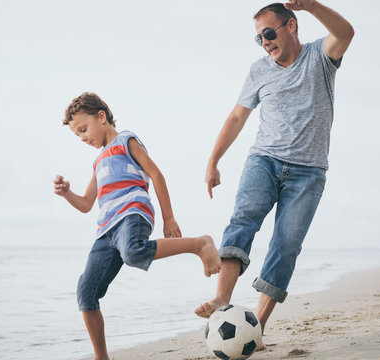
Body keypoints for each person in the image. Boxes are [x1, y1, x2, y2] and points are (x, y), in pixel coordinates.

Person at [194, 0, 354, 350]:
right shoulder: (258, 71)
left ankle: (256, 328)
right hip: (263, 161)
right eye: (259, 38)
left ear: (290, 26)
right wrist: (213, 160)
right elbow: (236, 118)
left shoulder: (320, 56)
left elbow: (346, 33)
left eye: (269, 33)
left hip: (308, 173)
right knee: (242, 222)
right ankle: (222, 300)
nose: (265, 42)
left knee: (286, 247)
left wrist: (311, 5)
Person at [54, 92, 222, 360]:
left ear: (102, 117)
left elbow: (156, 174)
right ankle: (101, 356)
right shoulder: (98, 161)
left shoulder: (126, 141)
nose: (83, 137)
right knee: (86, 291)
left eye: (84, 129)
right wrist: (67, 194)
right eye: (78, 135)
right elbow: (87, 204)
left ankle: (200, 243)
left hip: (132, 213)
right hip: (105, 231)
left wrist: (169, 217)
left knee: (133, 252)